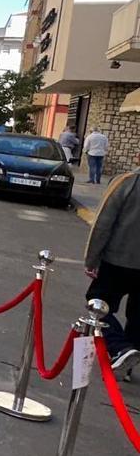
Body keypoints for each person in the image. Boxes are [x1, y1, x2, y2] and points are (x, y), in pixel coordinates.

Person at [85, 149, 140, 375]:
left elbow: (103, 223)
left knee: (97, 304)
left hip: (117, 260)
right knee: (138, 316)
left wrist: (92, 258)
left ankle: (120, 348)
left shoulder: (126, 183)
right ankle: (128, 360)